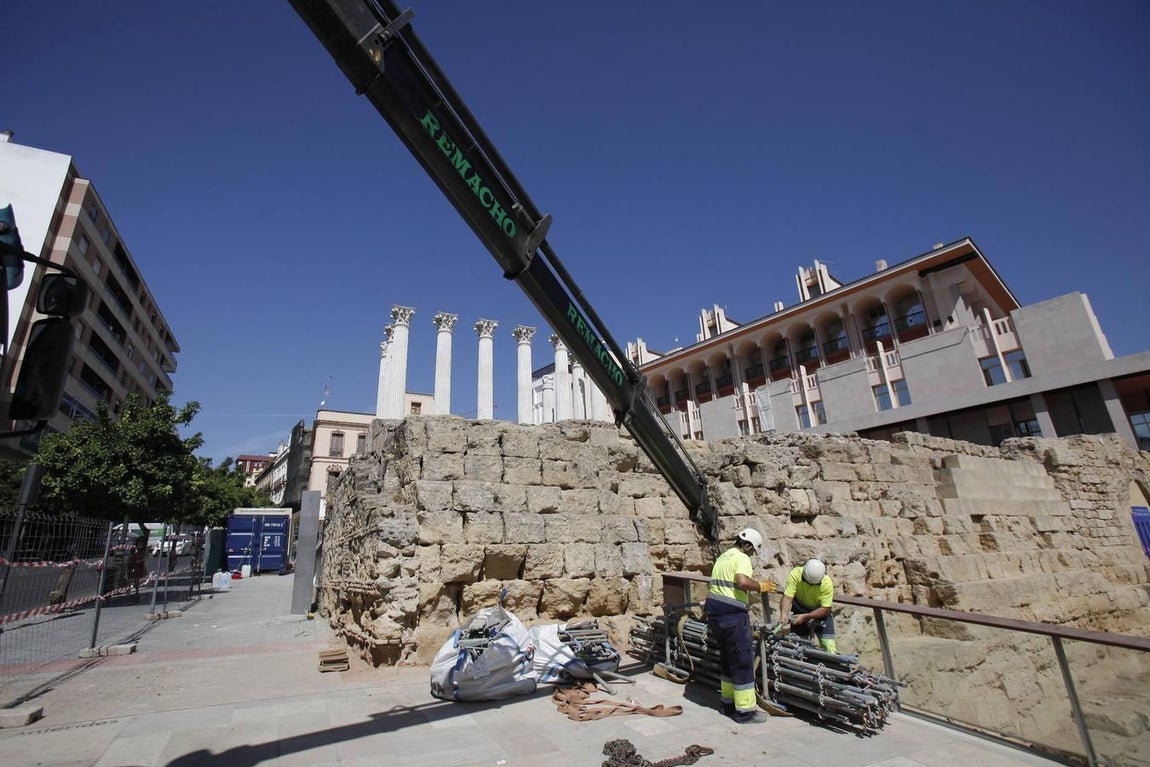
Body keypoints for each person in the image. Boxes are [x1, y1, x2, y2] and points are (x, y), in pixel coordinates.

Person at [704, 528, 775, 724]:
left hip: (715, 613)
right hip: (733, 615)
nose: (752, 554)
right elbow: (742, 581)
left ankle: (727, 704)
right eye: (752, 550)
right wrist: (760, 586)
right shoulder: (742, 558)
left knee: (727, 658)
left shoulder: (724, 556)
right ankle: (745, 712)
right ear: (747, 545)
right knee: (743, 661)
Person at [778, 558, 838, 654]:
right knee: (799, 647)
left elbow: (825, 609)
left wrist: (806, 616)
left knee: (829, 648)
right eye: (807, 582)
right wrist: (783, 614)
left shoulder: (827, 583)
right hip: (799, 611)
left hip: (820, 613)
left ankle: (833, 666)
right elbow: (787, 597)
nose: (810, 585)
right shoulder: (796, 574)